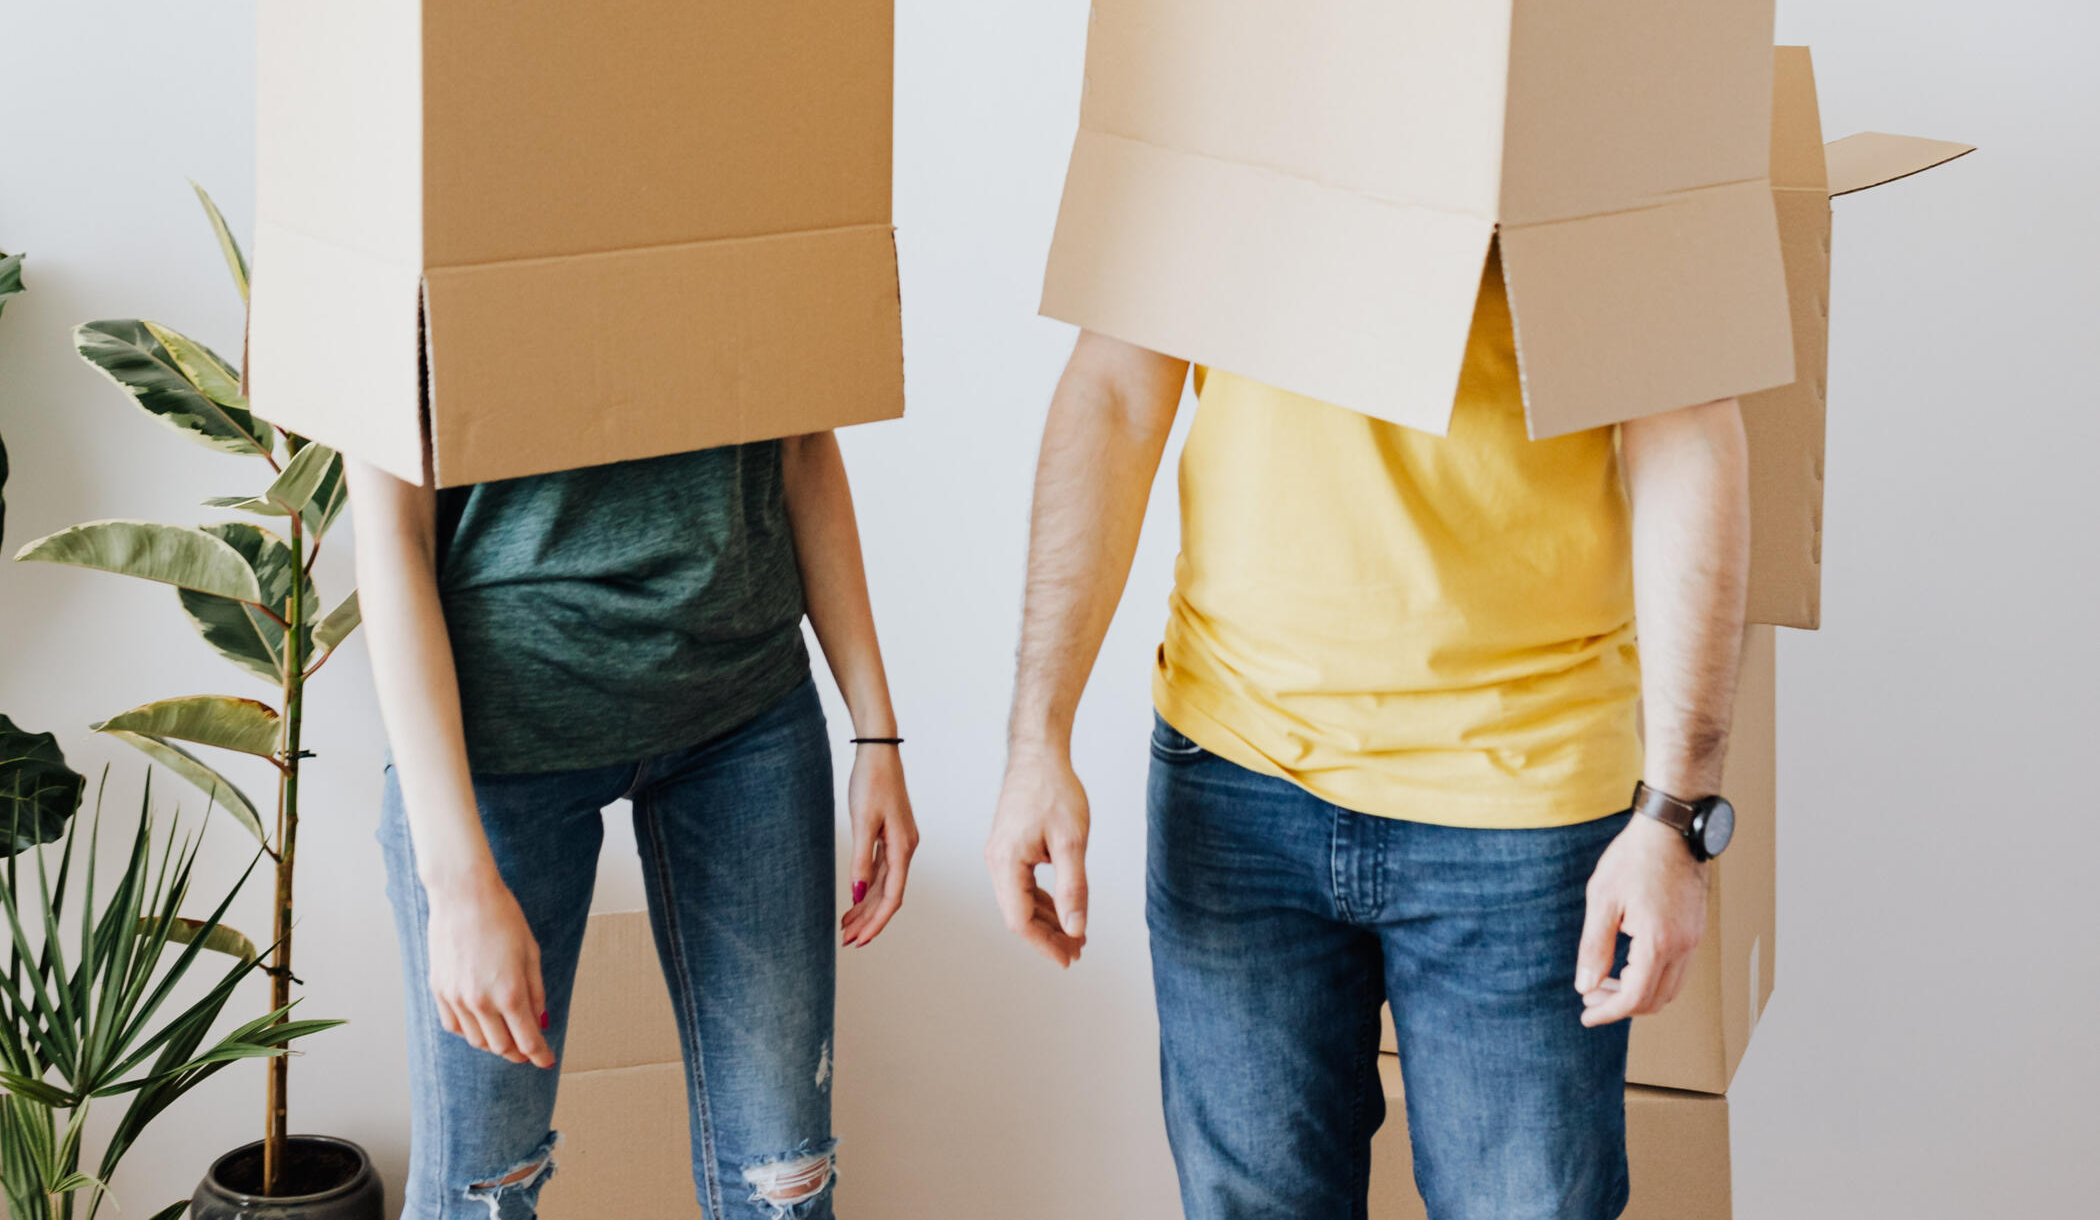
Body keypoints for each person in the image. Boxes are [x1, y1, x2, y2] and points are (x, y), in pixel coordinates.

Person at [985, 251, 1750, 1220]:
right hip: (1235, 767)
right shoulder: (1209, 94)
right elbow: (1114, 387)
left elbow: (1686, 426)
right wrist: (1035, 738)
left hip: (1519, 786)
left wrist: (1675, 819)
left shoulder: (1605, 96)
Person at [349, 431, 915, 1219]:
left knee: (785, 1183)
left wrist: (876, 732)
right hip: (500, 738)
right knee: (479, 1193)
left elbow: (803, 446)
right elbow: (390, 531)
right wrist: (458, 881)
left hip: (744, 710)